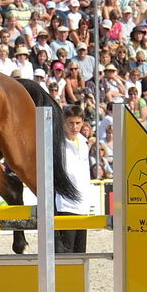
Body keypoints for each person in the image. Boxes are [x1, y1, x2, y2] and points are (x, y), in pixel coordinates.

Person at [54, 104, 91, 254]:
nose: (74, 127)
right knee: (65, 250)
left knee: (80, 250)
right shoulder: (57, 143)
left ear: (82, 122)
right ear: (63, 122)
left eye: (77, 123)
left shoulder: (84, 143)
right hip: (65, 204)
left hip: (82, 204)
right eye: (70, 123)